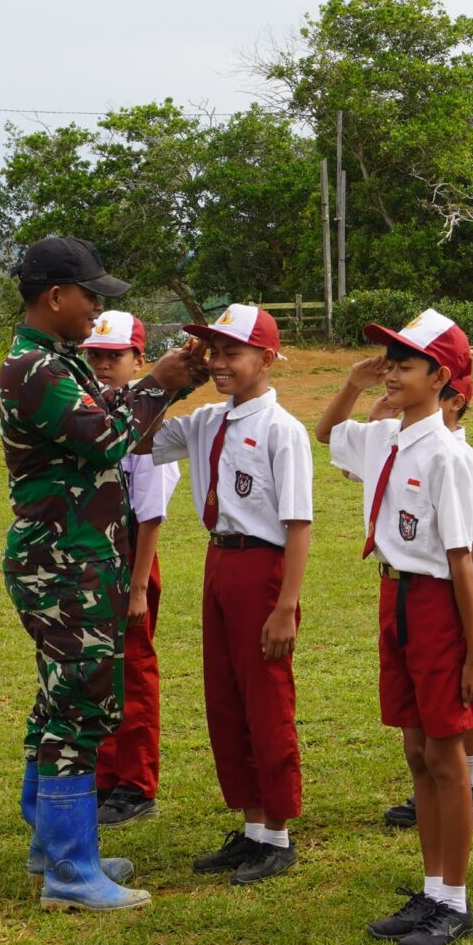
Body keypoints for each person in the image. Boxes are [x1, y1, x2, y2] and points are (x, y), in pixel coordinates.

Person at [0, 236, 203, 913]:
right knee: (81, 708)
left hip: (73, 556)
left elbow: (114, 418)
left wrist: (173, 383)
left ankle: (56, 843)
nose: (97, 312)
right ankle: (69, 871)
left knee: (60, 699)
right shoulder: (35, 370)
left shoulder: (53, 361)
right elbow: (108, 437)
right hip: (65, 560)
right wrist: (161, 382)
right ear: (56, 296)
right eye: (92, 297)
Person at [317, 309, 473, 945]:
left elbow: (460, 560)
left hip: (437, 604)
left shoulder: (446, 455)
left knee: (446, 757)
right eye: (387, 360)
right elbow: (328, 433)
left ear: (440, 377)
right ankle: (431, 886)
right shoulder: (386, 437)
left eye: (404, 364)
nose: (391, 371)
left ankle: (454, 899)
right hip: (394, 595)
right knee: (416, 752)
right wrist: (357, 385)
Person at [146, 303, 315, 886]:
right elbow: (137, 443)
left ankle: (279, 834)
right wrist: (172, 383)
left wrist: (286, 605)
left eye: (230, 352)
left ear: (266, 358)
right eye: (211, 352)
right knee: (226, 699)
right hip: (219, 559)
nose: (218, 363)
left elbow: (298, 523)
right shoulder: (205, 423)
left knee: (266, 699)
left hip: (262, 567)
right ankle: (251, 829)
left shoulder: (282, 429)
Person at [373, 379, 473, 835]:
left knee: (452, 725)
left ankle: (472, 788)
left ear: (453, 400)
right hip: (401, 592)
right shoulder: (396, 446)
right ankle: (437, 877)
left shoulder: (458, 458)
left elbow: (468, 551)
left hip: (440, 594)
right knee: (419, 745)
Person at [81, 310, 180, 828]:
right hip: (94, 561)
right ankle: (103, 776)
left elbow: (151, 513)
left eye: (114, 356)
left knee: (133, 672)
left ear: (140, 359)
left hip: (131, 561)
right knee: (99, 669)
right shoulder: (94, 415)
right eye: (94, 355)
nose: (102, 365)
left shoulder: (145, 420)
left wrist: (139, 586)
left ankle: (136, 783)